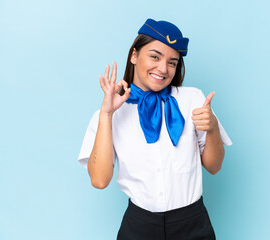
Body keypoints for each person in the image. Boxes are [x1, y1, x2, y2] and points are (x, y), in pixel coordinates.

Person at [78, 18, 232, 240]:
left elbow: (214, 166)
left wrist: (213, 128)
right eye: (155, 56)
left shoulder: (193, 99)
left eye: (172, 62)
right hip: (139, 226)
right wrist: (107, 114)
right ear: (134, 55)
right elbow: (100, 180)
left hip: (193, 224)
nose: (163, 68)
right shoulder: (110, 112)